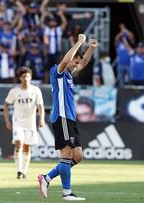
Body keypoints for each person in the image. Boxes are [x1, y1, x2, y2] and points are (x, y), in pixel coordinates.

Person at [37, 34, 97, 201]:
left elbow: (84, 62)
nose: (77, 64)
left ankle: (47, 178)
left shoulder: (69, 75)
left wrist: (91, 48)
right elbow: (66, 61)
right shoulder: (58, 71)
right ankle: (66, 193)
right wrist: (78, 42)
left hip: (70, 118)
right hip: (62, 117)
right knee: (66, 155)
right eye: (75, 61)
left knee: (78, 156)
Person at [3, 67, 45, 179]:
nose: (25, 78)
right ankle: (19, 171)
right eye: (23, 76)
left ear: (30, 77)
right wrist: (7, 120)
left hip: (30, 123)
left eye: (27, 76)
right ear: (19, 78)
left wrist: (42, 118)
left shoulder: (35, 90)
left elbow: (40, 105)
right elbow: (6, 105)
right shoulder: (14, 91)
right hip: (18, 122)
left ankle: (24, 172)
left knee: (27, 147)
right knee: (19, 143)